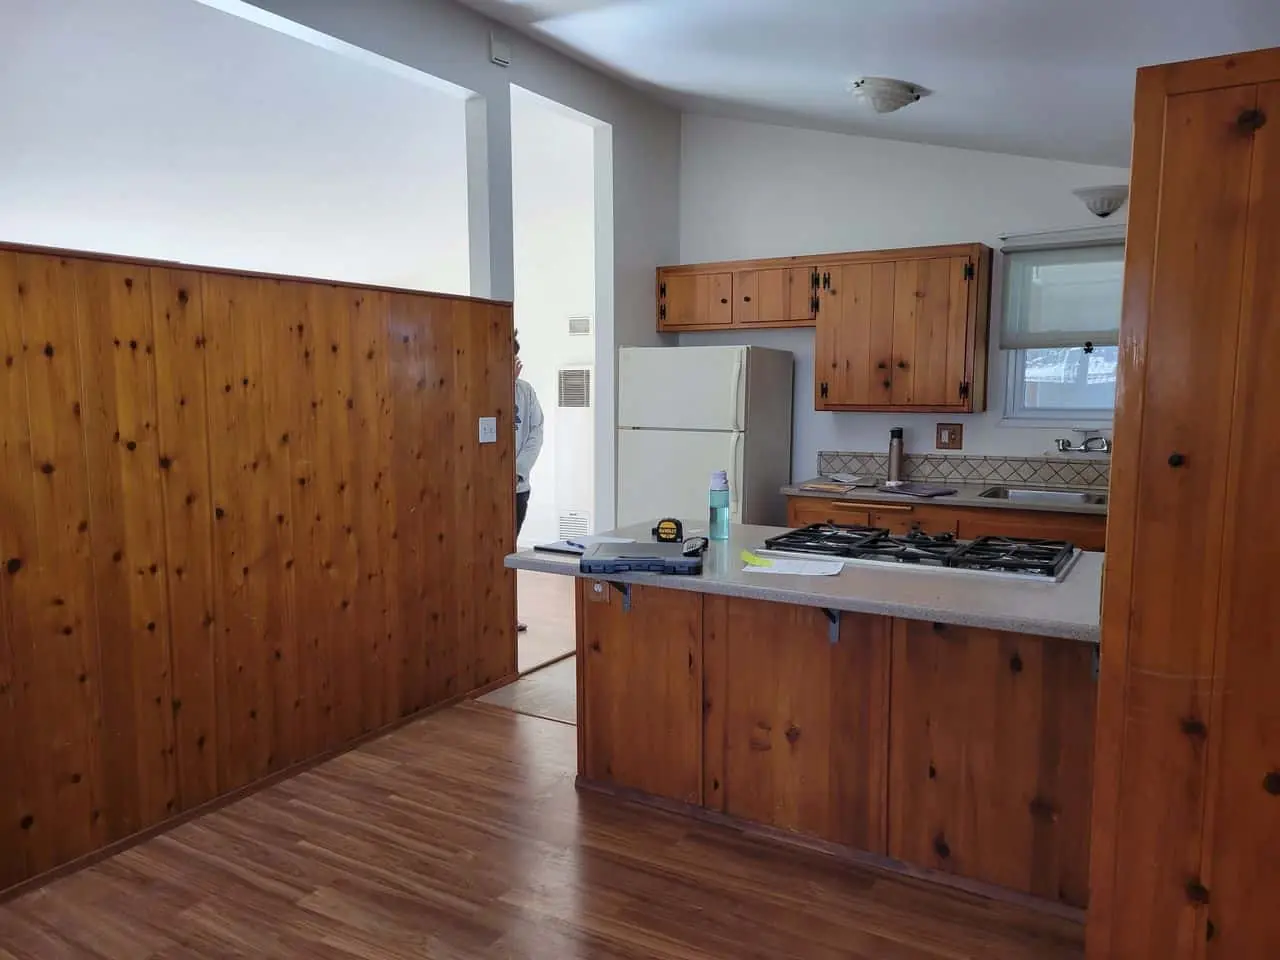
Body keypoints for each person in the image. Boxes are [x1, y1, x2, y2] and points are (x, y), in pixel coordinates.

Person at [513, 333, 544, 633]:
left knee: (509, 551)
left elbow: (536, 432)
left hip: (518, 488)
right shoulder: (483, 388)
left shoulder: (525, 392)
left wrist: (519, 470)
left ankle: (508, 612)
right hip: (486, 491)